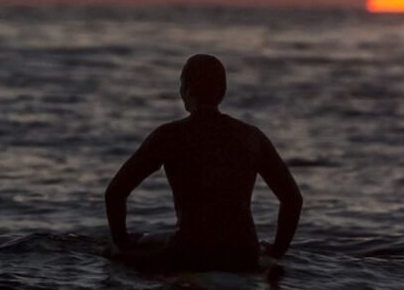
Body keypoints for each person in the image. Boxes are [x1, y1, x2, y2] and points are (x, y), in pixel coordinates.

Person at [105, 54, 303, 272]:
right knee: (150, 240)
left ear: (187, 90)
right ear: (222, 92)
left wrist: (121, 243)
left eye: (181, 85)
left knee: (112, 255)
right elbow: (292, 199)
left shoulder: (169, 136)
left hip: (190, 253)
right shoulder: (251, 137)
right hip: (244, 254)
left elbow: (115, 192)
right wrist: (277, 250)